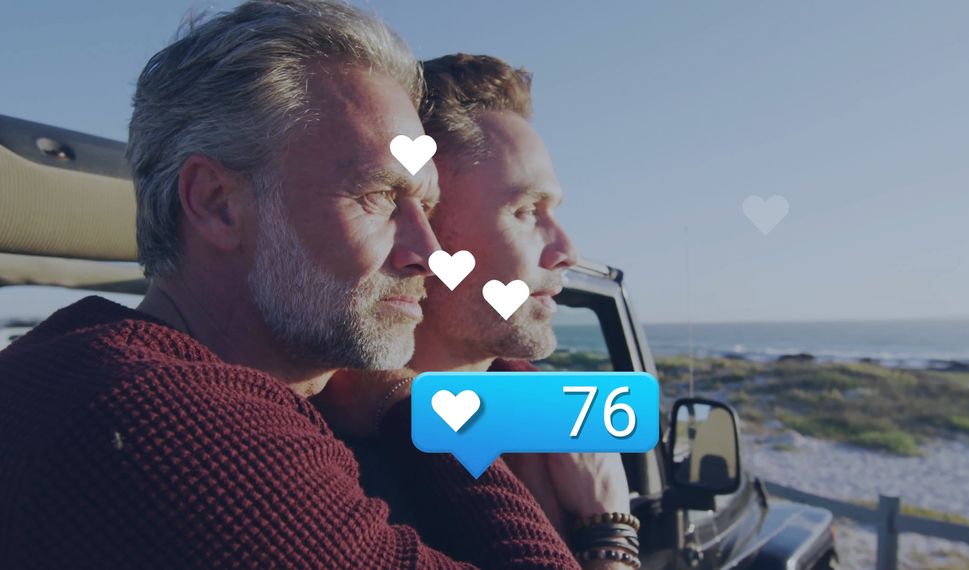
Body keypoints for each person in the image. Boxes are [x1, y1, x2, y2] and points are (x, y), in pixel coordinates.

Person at [0, 2, 587, 567]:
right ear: (217, 203)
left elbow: (599, 407)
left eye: (426, 207)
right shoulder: (175, 426)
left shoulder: (86, 365)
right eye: (379, 196)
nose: (429, 254)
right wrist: (609, 532)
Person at [316, 54, 640, 569]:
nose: (565, 250)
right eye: (526, 211)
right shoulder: (333, 478)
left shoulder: (542, 418)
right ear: (424, 234)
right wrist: (610, 534)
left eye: (554, 211)